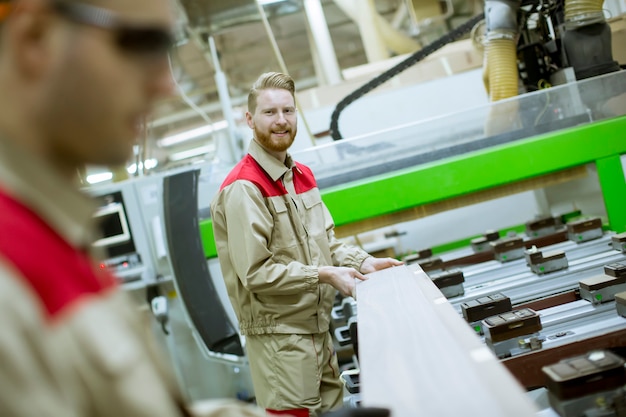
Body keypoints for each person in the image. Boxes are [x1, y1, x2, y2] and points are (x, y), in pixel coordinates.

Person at [0, 0, 270, 416]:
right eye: (144, 44)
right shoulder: (11, 267)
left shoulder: (52, 231)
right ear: (34, 39)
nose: (169, 85)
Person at [210, 72, 403, 417]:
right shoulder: (244, 188)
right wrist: (325, 275)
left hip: (317, 331)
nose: (281, 121)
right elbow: (256, 273)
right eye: (270, 113)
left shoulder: (302, 176)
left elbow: (326, 243)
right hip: (280, 344)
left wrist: (363, 262)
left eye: (288, 110)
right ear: (250, 120)